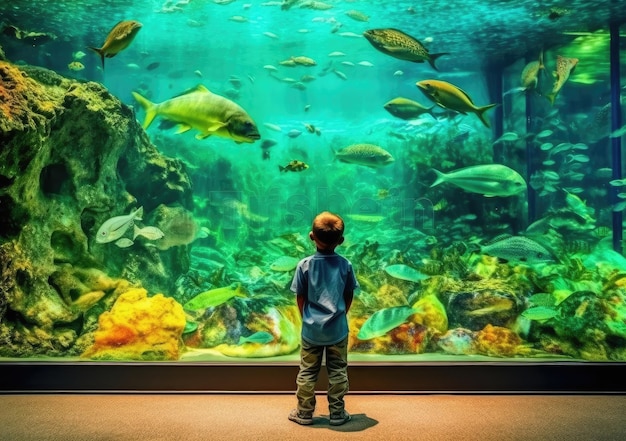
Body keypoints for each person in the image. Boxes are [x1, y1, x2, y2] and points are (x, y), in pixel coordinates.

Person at [288, 211, 358, 426]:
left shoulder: (304, 265)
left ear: (311, 236)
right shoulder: (345, 265)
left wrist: (306, 317)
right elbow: (348, 295)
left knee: (308, 371)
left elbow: (300, 296)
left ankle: (304, 413)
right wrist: (340, 315)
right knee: (338, 371)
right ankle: (337, 413)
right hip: (337, 329)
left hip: (311, 330)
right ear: (342, 241)